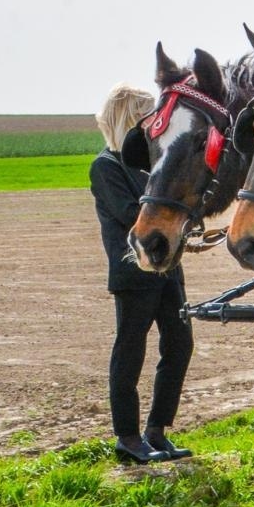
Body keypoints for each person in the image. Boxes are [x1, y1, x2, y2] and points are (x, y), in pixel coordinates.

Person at [89, 84, 195, 463]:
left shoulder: (153, 164)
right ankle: (128, 437)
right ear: (130, 118)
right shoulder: (106, 166)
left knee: (180, 345)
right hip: (134, 274)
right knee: (130, 351)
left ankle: (157, 430)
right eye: (148, 114)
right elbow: (129, 212)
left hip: (168, 269)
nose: (155, 121)